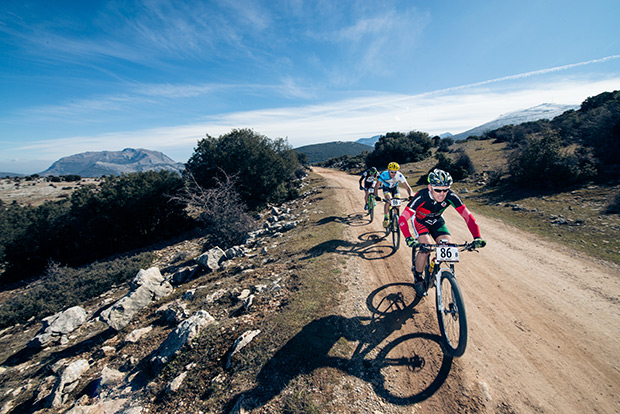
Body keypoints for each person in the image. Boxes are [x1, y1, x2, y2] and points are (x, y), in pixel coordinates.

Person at [399, 168, 486, 297]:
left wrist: (477, 237)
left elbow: (468, 217)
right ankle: (418, 277)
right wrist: (408, 238)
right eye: (438, 190)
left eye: (445, 189)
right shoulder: (421, 196)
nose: (442, 193)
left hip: (437, 222)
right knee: (425, 248)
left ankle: (435, 265)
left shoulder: (451, 196)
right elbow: (402, 219)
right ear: (430, 187)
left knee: (448, 245)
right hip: (420, 221)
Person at [374, 162, 413, 228]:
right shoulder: (384, 174)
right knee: (388, 200)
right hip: (386, 188)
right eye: (392, 172)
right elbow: (377, 186)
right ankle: (386, 218)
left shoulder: (399, 175)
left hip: (395, 188)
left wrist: (410, 195)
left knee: (397, 203)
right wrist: (376, 196)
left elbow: (407, 187)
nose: (393, 174)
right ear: (388, 170)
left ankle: (395, 218)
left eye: (395, 172)